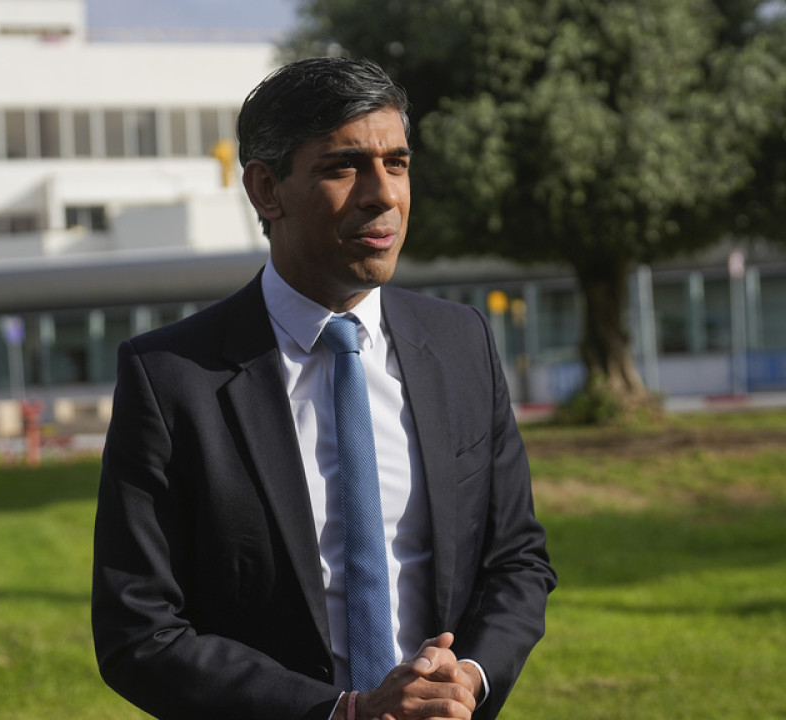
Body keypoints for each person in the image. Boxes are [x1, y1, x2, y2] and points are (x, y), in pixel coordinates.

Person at [92, 57, 556, 720]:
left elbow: (517, 559)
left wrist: (467, 680)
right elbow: (138, 631)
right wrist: (345, 712)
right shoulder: (170, 377)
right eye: (345, 167)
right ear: (266, 190)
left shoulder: (462, 343)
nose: (383, 195)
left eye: (397, 163)